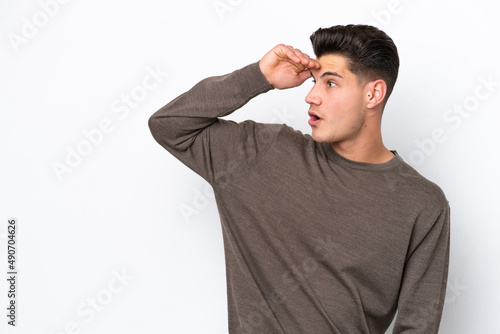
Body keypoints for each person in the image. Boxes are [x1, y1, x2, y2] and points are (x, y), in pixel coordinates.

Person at [148, 24, 450, 334]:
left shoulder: (423, 204)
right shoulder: (262, 154)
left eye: (330, 83)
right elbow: (169, 126)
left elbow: (418, 325)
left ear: (373, 94)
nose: (311, 96)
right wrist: (259, 77)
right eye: (314, 82)